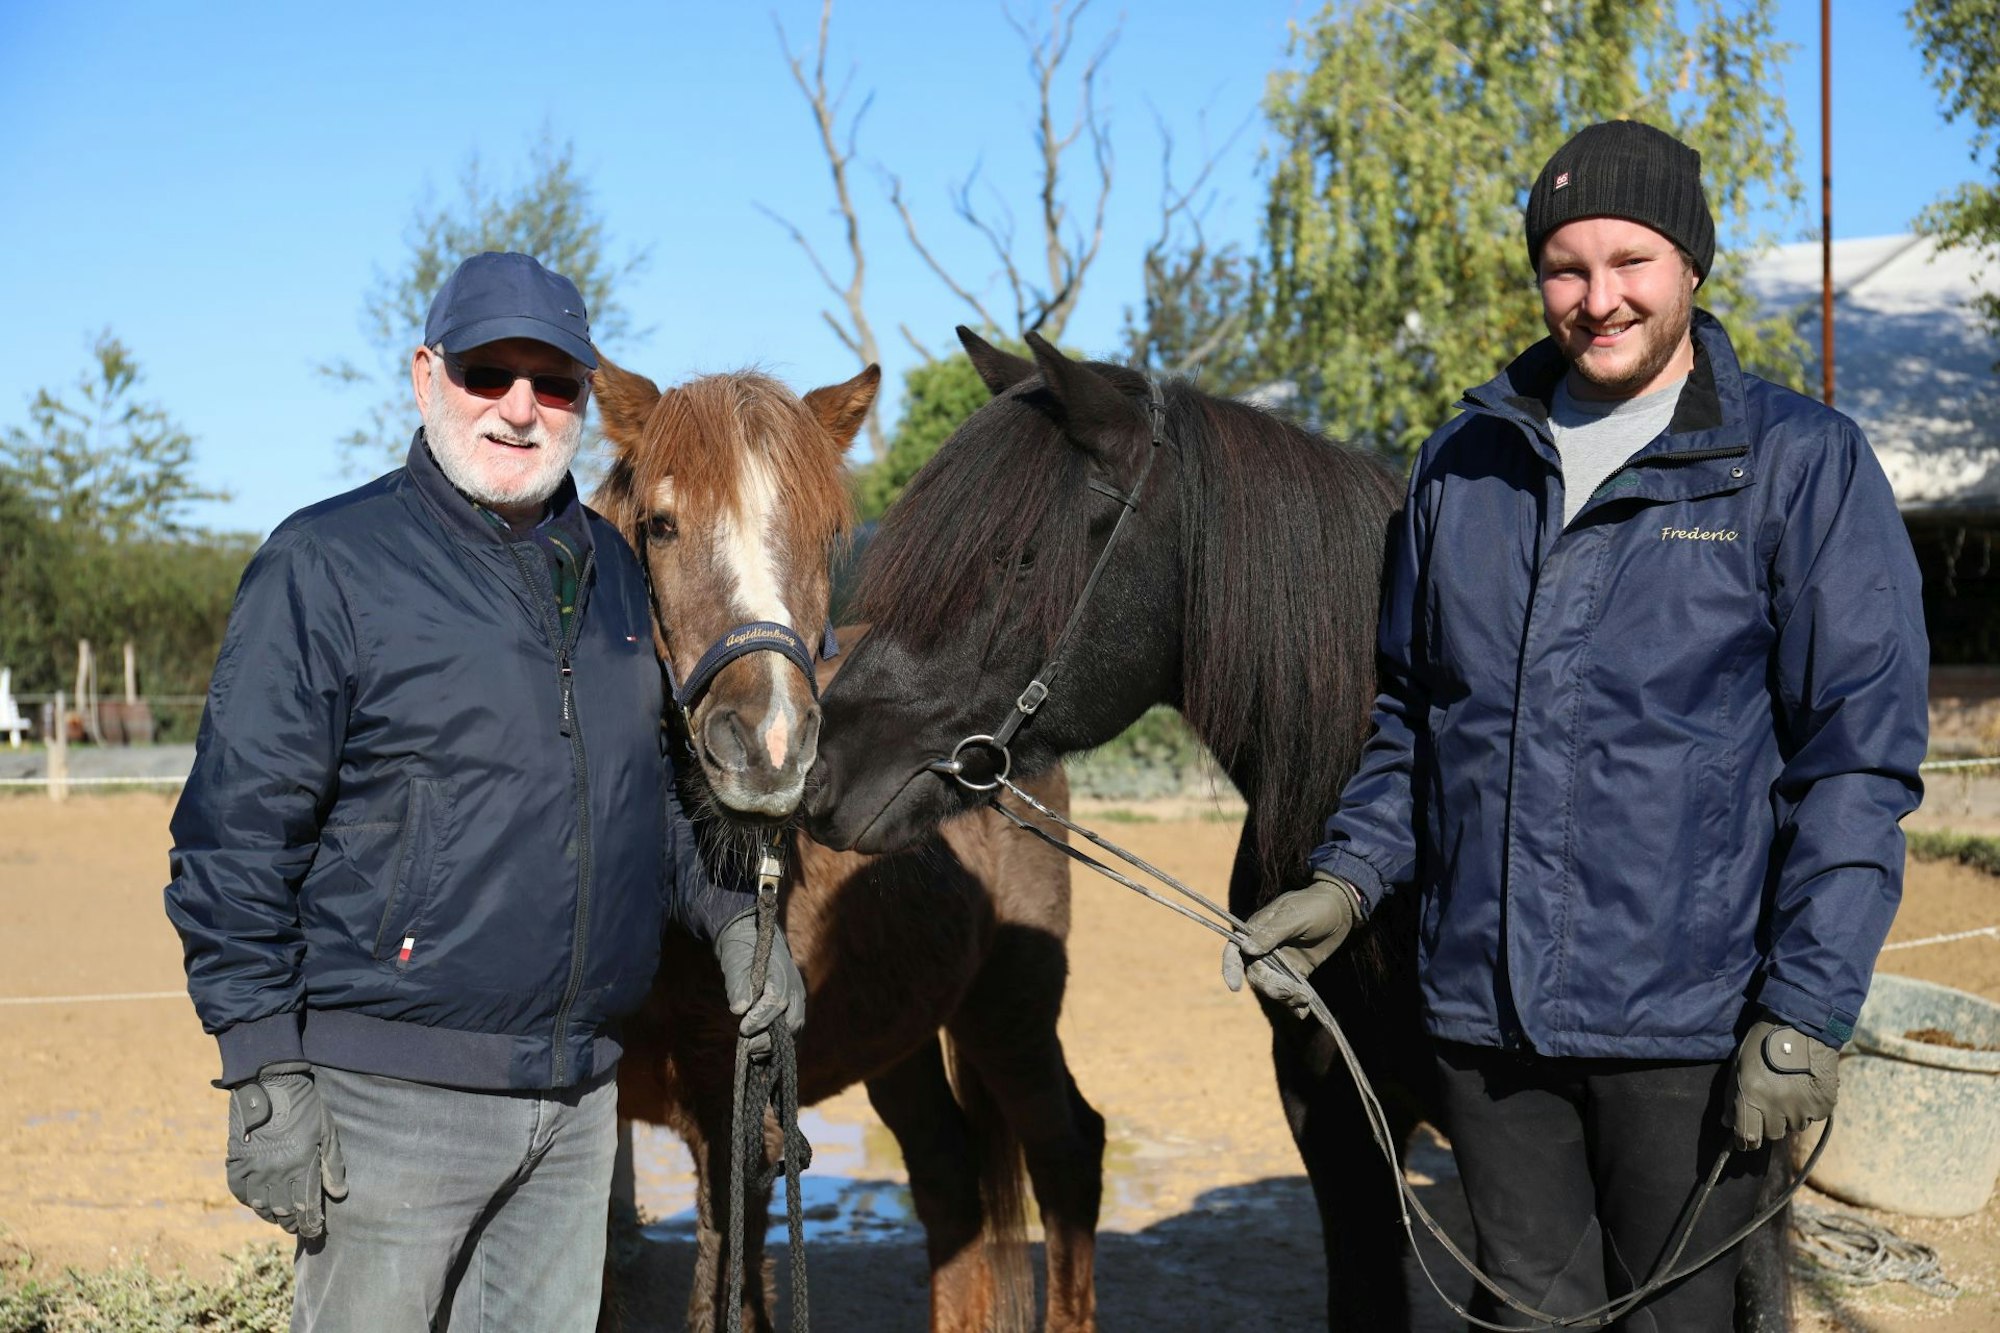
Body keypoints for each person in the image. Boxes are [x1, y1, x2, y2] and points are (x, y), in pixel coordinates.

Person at [1225, 121, 1928, 1327]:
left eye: (1628, 262)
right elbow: (1414, 715)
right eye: (1564, 265)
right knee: (1526, 1312)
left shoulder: (1796, 466)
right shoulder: (1463, 465)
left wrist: (1805, 1010)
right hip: (1486, 1021)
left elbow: (1854, 761)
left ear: (1688, 265)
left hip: (1690, 1027)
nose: (1596, 299)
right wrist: (1344, 879)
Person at [165, 251, 806, 1331]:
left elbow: (644, 794)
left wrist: (734, 917)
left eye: (552, 383)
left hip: (573, 1109)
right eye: (485, 373)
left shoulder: (613, 576)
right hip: (390, 1103)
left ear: (582, 404)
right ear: (426, 377)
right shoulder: (326, 564)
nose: (519, 408)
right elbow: (235, 835)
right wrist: (262, 1063)